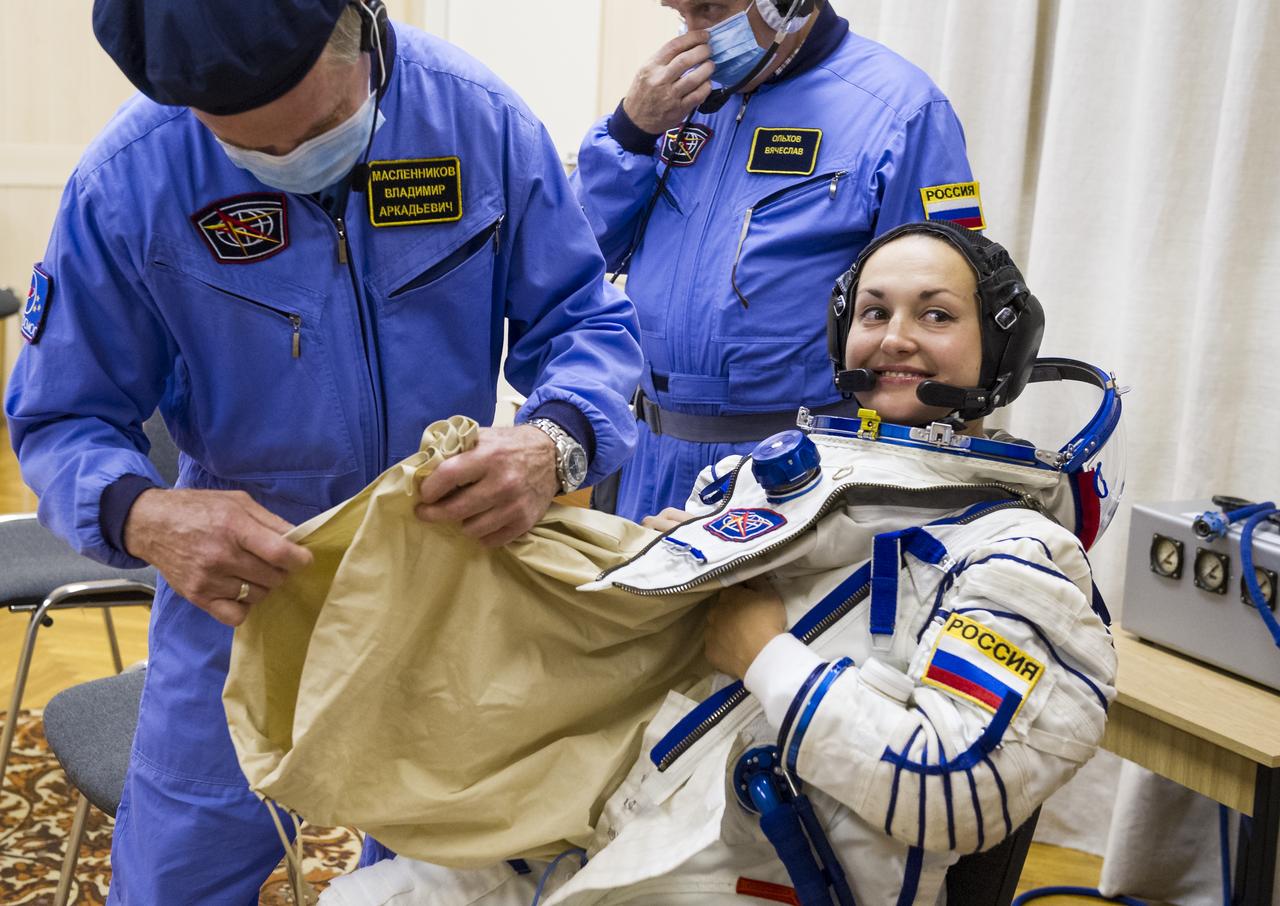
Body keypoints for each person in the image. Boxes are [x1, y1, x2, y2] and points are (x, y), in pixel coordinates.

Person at [3, 1, 643, 902]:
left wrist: (555, 441)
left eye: (309, 132)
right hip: (247, 586)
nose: (287, 168)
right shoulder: (132, 176)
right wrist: (143, 514)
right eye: (246, 151)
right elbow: (60, 416)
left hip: (445, 568)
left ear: (361, 27)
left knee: (442, 876)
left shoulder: (478, 121)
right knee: (177, 877)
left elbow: (586, 322)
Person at [318, 221, 1122, 905]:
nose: (896, 337)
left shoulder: (1018, 556)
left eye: (936, 315)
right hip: (625, 814)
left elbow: (957, 790)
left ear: (1000, 347)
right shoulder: (772, 482)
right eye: (873, 312)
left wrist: (765, 655)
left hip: (749, 866)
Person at [572, 0, 981, 522]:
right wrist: (631, 131)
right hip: (652, 456)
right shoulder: (672, 104)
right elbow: (578, 258)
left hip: (796, 472)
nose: (694, 33)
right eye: (680, 11)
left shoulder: (904, 111)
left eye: (711, 9)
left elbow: (945, 314)